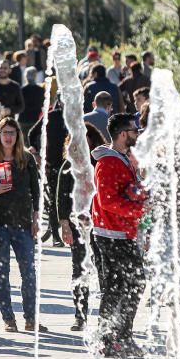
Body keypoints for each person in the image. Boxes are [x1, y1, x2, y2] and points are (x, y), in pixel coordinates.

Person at [0, 117, 43, 333]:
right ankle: (8, 319)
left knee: (29, 273)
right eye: (5, 132)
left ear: (18, 135)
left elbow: (36, 192)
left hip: (22, 225)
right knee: (2, 273)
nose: (9, 137)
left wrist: (35, 220)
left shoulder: (27, 159)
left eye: (12, 132)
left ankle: (31, 318)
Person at [91, 113, 148, 357]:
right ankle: (109, 338)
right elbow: (107, 201)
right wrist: (139, 209)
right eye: (135, 130)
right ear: (123, 134)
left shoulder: (124, 159)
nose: (138, 134)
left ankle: (118, 336)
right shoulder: (107, 163)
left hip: (123, 232)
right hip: (110, 234)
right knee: (118, 287)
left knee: (129, 284)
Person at [57, 123, 107, 331]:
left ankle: (106, 316)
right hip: (77, 225)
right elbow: (60, 197)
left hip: (100, 225)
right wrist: (63, 224)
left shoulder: (101, 162)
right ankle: (80, 315)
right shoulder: (68, 166)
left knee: (104, 270)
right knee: (79, 270)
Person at [28, 97, 68, 247]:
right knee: (53, 200)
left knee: (69, 200)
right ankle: (56, 236)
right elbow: (32, 133)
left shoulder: (76, 116)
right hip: (52, 164)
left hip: (70, 165)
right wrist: (37, 154)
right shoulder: (52, 116)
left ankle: (69, 232)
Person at [19, 66, 44, 135]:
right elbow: (42, 104)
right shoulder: (41, 90)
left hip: (24, 119)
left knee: (24, 142)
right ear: (35, 76)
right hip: (36, 119)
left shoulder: (21, 90)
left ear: (25, 76)